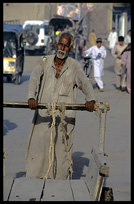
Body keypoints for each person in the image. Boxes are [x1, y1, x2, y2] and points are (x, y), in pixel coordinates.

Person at [26, 32, 96, 180]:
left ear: (70, 49)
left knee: (62, 153)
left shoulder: (74, 66)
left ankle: (59, 186)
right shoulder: (44, 61)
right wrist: (31, 97)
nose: (62, 48)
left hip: (65, 120)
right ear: (56, 44)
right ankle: (35, 182)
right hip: (44, 117)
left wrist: (91, 99)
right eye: (60, 44)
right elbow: (33, 80)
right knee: (39, 151)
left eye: (65, 46)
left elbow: (85, 83)